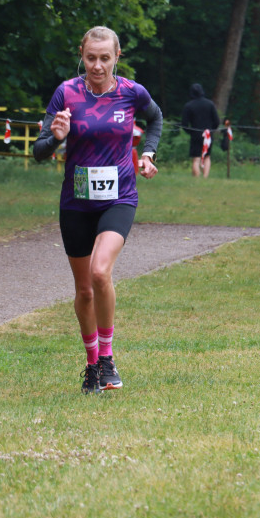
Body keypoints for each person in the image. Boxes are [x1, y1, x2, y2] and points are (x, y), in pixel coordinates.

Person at [33, 26, 162, 394]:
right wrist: (56, 138)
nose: (98, 65)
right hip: (76, 204)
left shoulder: (131, 92)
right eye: (91, 58)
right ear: (82, 55)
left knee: (100, 272)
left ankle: (107, 358)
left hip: (119, 197)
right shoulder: (67, 93)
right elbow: (39, 151)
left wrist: (149, 153)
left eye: (105, 58)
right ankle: (92, 365)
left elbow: (156, 118)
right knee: (84, 290)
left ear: (116, 57)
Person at [180, 82, 221, 178]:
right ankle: (205, 177)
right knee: (207, 156)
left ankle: (197, 178)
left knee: (196, 158)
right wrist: (211, 130)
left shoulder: (188, 106)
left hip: (195, 135)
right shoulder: (210, 104)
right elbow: (217, 121)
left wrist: (191, 132)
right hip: (208, 134)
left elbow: (184, 124)